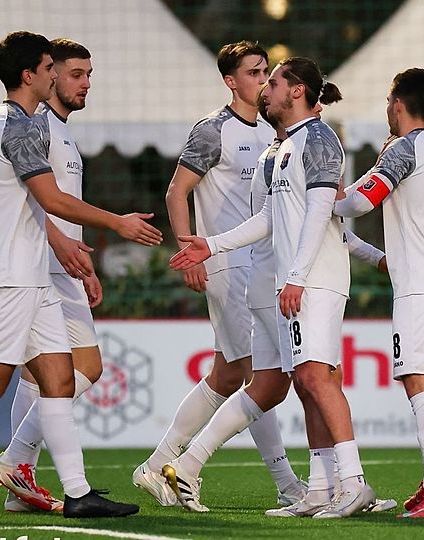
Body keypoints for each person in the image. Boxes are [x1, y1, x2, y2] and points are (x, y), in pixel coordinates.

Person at [0, 31, 159, 520]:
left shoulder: (6, 122)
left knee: (58, 382)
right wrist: (118, 222)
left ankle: (77, 494)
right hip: (12, 279)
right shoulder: (19, 126)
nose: (56, 76)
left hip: (29, 277)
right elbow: (51, 200)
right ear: (30, 75)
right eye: (52, 68)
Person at [153, 90, 392, 515]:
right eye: (260, 76)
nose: (267, 87)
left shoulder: (276, 151)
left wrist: (211, 244)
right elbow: (321, 219)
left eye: (273, 78)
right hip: (289, 282)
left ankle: (191, 464)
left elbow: (304, 220)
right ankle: (348, 485)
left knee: (271, 385)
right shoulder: (300, 147)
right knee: (317, 380)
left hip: (265, 281)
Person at [133, 40, 303, 508]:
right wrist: (193, 253)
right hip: (227, 266)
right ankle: (288, 486)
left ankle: (157, 464)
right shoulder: (214, 130)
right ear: (231, 81)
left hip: (258, 266)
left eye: (266, 71)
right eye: (253, 72)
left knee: (227, 375)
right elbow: (176, 191)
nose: (263, 80)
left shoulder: (272, 132)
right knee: (258, 375)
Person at [0, 38, 108, 514]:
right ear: (45, 75)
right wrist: (63, 244)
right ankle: (15, 465)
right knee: (66, 371)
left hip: (54, 267)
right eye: (72, 73)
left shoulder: (55, 129)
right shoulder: (32, 124)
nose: (84, 83)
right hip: (35, 267)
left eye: (88, 74)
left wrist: (76, 254)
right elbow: (24, 201)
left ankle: (23, 476)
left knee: (56, 373)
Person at [333, 68, 424, 519]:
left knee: (420, 381)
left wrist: (323, 199)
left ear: (398, 103)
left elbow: (359, 203)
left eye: (389, 101)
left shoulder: (404, 149)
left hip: (422, 282)